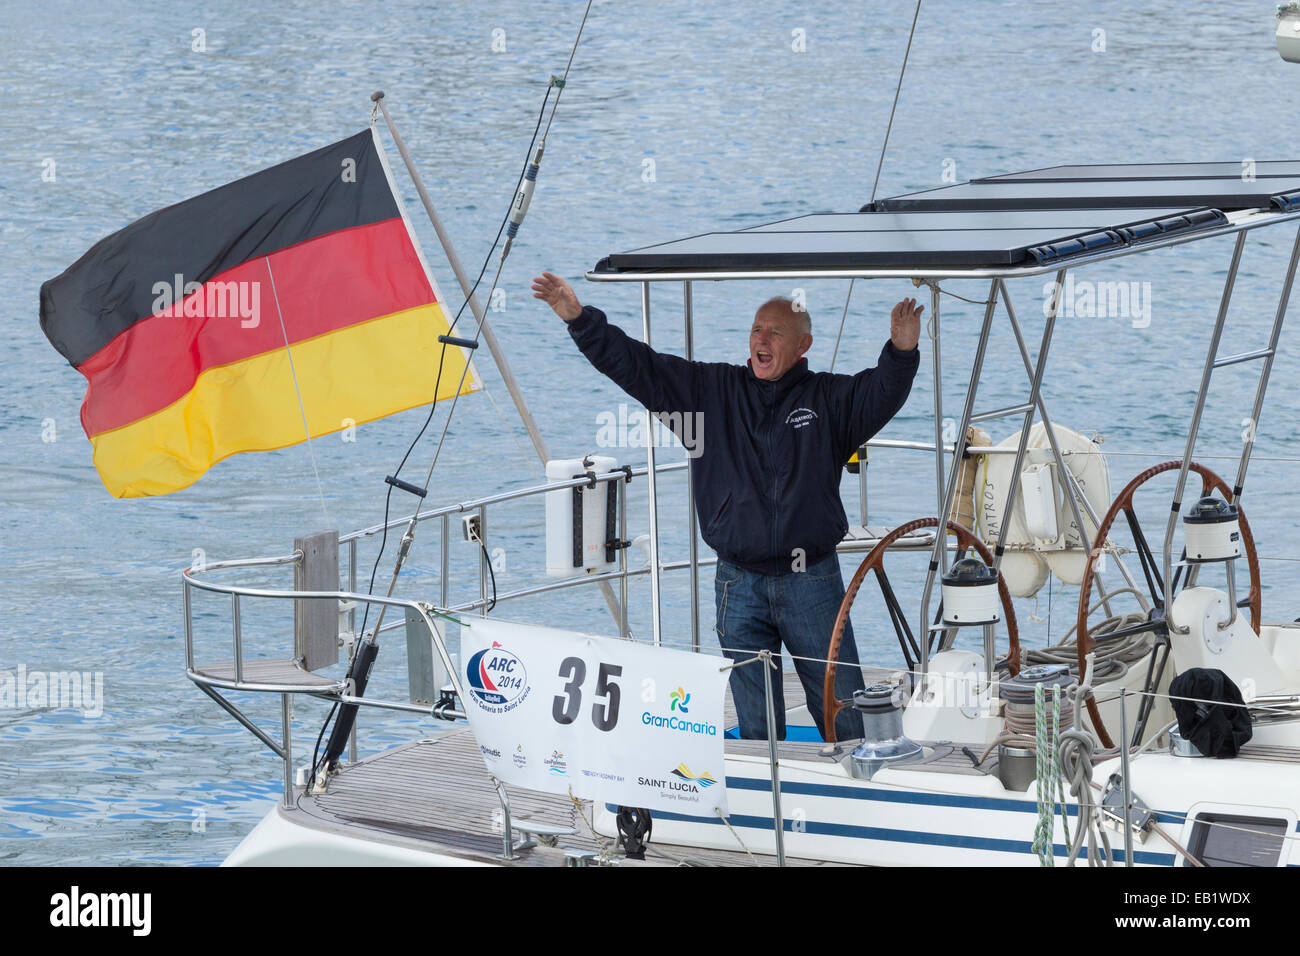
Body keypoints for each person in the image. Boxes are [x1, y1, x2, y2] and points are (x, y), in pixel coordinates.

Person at [532, 271, 921, 741]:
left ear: (803, 345)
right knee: (758, 730)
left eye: (775, 332)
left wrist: (900, 353)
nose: (762, 339)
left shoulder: (828, 399)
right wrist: (580, 320)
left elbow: (882, 391)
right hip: (737, 583)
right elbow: (638, 366)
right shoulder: (708, 394)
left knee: (848, 721)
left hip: (811, 582)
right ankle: (769, 806)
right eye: (757, 329)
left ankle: (867, 795)